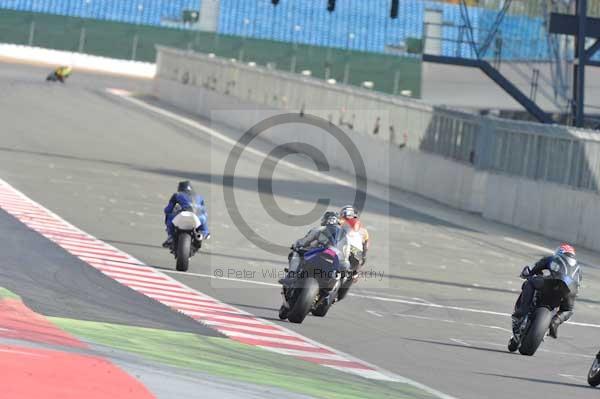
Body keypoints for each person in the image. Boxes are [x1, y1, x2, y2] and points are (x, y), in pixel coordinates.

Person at [511, 243, 581, 339]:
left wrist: (526, 273)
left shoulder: (553, 258)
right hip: (570, 291)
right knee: (568, 310)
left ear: (559, 252)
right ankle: (555, 322)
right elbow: (578, 285)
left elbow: (533, 268)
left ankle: (522, 312)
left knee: (530, 283)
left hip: (552, 282)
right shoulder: (578, 268)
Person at [279, 211, 349, 288]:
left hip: (319, 253)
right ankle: (332, 292)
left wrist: (296, 245)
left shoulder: (320, 229)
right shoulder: (345, 235)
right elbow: (347, 252)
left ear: (325, 220)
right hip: (337, 260)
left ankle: (291, 276)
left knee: (296, 254)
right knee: (344, 270)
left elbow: (304, 241)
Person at [162, 181, 210, 248]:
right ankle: (203, 233)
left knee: (170, 217)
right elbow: (204, 211)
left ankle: (171, 236)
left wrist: (169, 212)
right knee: (204, 219)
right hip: (199, 217)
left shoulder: (177, 195)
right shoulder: (200, 197)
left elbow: (168, 209)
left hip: (184, 214)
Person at [339, 205, 369, 272]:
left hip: (343, 248)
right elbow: (366, 245)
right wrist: (364, 255)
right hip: (356, 252)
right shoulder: (362, 229)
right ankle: (355, 273)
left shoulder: (340, 222)